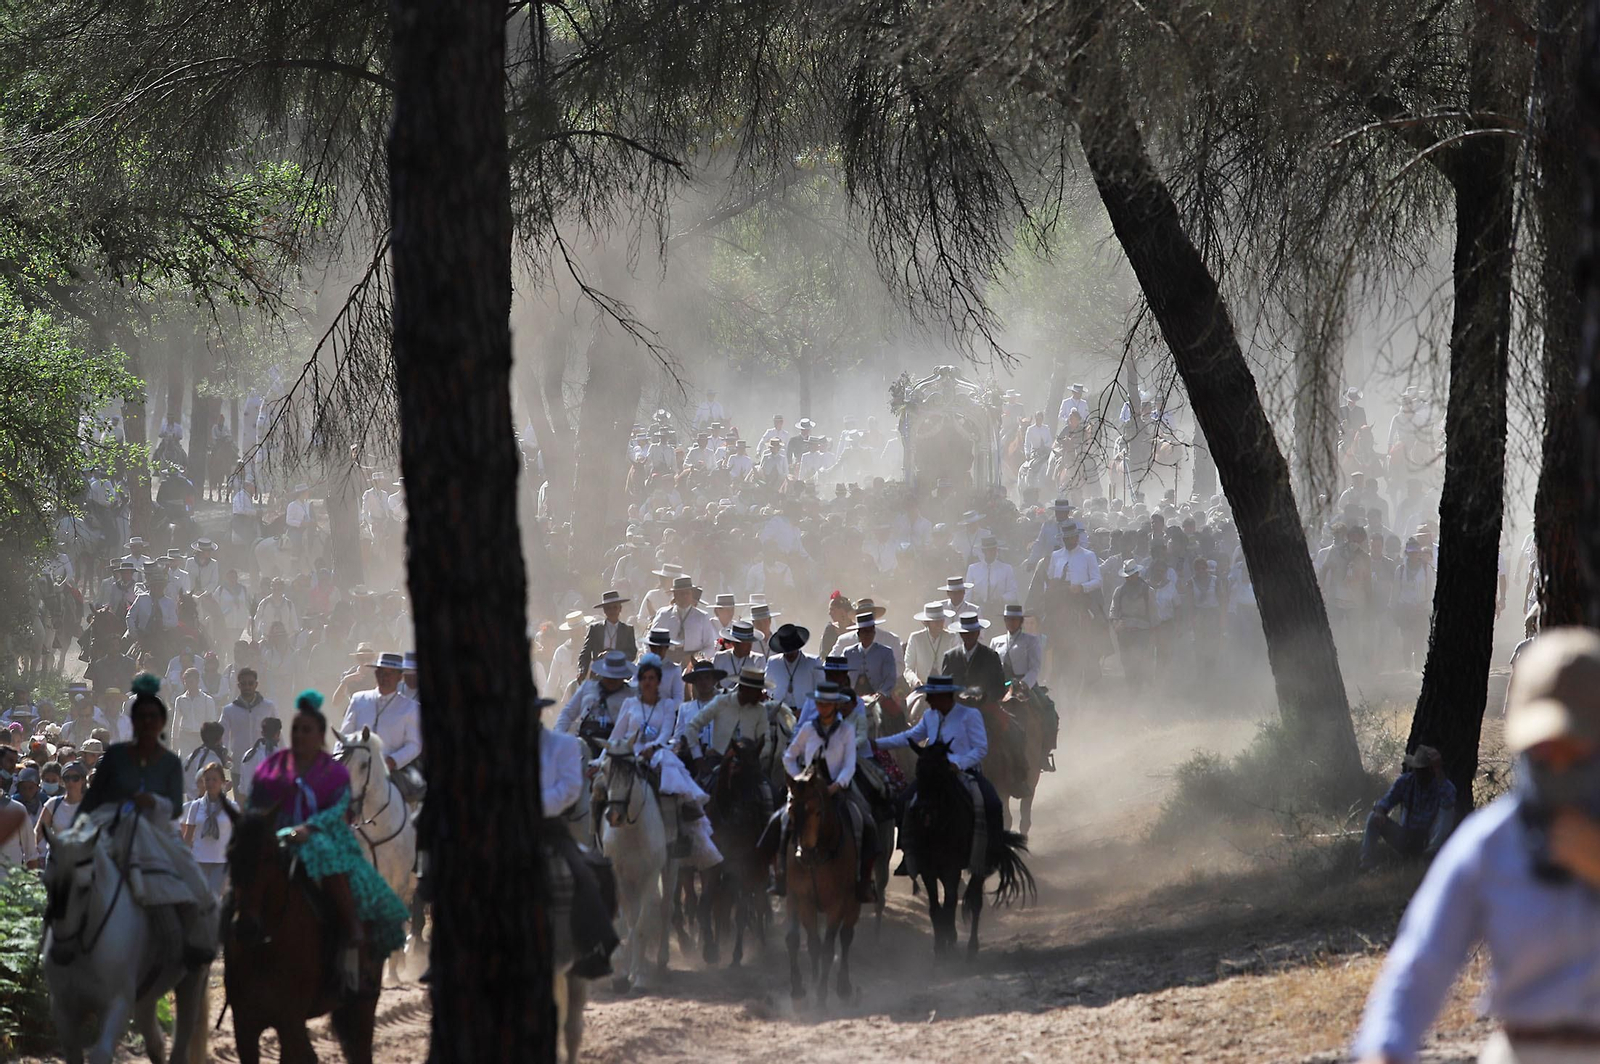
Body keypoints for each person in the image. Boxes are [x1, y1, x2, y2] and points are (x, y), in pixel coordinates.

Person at [1353, 628, 1600, 1064]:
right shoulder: (1490, 843)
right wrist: (1384, 1049)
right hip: (1522, 1050)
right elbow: (1420, 963)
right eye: (1545, 749)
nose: (1559, 766)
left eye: (1575, 746)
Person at [248, 691, 409, 992]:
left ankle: (351, 939)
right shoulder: (273, 767)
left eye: (307, 730)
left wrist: (310, 828)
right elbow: (259, 803)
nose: (300, 735)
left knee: (331, 865)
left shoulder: (335, 772)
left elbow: (340, 810)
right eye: (296, 729)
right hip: (282, 838)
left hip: (324, 837)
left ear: (320, 735)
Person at [76, 674, 217, 966]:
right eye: (142, 718)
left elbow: (175, 807)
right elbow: (92, 801)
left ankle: (198, 947)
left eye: (153, 718)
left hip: (157, 833)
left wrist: (153, 801)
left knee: (197, 884)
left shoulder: (170, 761)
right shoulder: (115, 757)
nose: (147, 723)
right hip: (116, 831)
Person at [873, 675, 1000, 879]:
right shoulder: (930, 716)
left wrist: (959, 763)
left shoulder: (970, 715)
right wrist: (878, 744)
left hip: (965, 773)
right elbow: (909, 737)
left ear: (945, 697)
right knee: (903, 802)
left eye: (931, 696)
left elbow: (980, 748)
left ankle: (990, 853)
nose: (928, 700)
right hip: (933, 774)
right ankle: (909, 854)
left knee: (992, 802)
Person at [605, 654, 720, 867]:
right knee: (601, 785)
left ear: (658, 681)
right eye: (644, 678)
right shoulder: (630, 703)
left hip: (657, 753)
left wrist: (654, 748)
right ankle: (600, 841)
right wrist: (602, 759)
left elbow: (667, 732)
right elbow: (616, 735)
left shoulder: (667, 705)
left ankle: (678, 833)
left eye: (652, 678)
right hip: (630, 753)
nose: (648, 683)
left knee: (670, 779)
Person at [768, 683, 877, 902]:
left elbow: (849, 764)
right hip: (808, 788)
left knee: (866, 823)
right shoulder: (808, 728)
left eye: (827, 704)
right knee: (780, 821)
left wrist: (836, 785)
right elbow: (789, 757)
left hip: (838, 788)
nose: (822, 707)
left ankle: (863, 881)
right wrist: (798, 779)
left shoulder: (846, 730)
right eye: (819, 703)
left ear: (835, 706)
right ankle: (780, 875)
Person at [537, 716, 620, 978]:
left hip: (549, 827)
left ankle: (597, 946)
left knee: (587, 875)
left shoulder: (563, 744)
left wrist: (532, 803)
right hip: (508, 827)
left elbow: (571, 788)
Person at [339, 652, 424, 800]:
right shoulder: (359, 700)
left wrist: (393, 761)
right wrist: (339, 759)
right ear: (376, 674)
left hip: (393, 772)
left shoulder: (411, 708)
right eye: (382, 673)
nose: (385, 677)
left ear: (399, 677)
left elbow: (414, 745)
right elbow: (345, 735)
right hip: (356, 768)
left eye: (390, 674)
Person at [1358, 745, 1457, 871]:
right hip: (1406, 838)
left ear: (1432, 770)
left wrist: (1439, 773)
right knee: (1373, 817)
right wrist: (1380, 812)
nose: (1420, 774)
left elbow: (1449, 800)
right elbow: (1385, 802)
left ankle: (1431, 855)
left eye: (1424, 770)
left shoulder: (1442, 786)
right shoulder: (1405, 782)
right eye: (1418, 770)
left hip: (1430, 839)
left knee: (1447, 811)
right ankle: (1366, 865)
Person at [555, 650, 637, 749]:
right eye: (609, 677)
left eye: (615, 678)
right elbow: (567, 713)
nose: (612, 681)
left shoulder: (631, 695)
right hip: (585, 739)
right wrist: (559, 735)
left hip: (615, 744)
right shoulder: (587, 687)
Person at [180, 762, 233, 898]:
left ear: (222, 782)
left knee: (213, 897)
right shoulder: (196, 806)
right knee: (200, 898)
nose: (210, 783)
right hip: (199, 860)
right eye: (207, 780)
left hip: (221, 861)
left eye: (214, 779)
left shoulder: (231, 807)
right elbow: (188, 836)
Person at [221, 669, 277, 765]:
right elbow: (223, 735)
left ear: (256, 684)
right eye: (243, 684)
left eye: (250, 683)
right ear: (239, 686)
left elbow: (277, 732)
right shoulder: (229, 710)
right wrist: (224, 754)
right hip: (239, 762)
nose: (247, 687)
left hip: (263, 762)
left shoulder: (268, 706)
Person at [36, 761, 86, 866]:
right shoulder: (53, 804)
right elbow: (38, 832)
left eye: (75, 778)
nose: (71, 782)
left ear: (83, 780)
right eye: (67, 778)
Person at [579, 590, 637, 678]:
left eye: (615, 607)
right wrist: (582, 671)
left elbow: (632, 654)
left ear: (620, 608)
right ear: (604, 611)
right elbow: (585, 654)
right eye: (608, 608)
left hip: (620, 676)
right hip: (599, 675)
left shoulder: (628, 630)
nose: (612, 611)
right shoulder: (595, 629)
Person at [764, 624, 820, 708]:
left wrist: (806, 710)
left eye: (792, 651)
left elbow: (820, 691)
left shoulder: (813, 662)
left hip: (805, 710)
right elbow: (767, 686)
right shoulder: (773, 662)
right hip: (779, 710)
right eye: (786, 651)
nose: (789, 654)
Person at [171, 667, 216, 758]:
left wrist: (211, 740)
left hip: (201, 737)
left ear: (197, 681)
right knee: (185, 761)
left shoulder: (207, 700)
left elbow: (211, 721)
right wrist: (174, 739)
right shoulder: (180, 700)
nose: (188, 685)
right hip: (185, 736)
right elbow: (176, 721)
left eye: (191, 682)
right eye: (186, 682)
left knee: (201, 761)